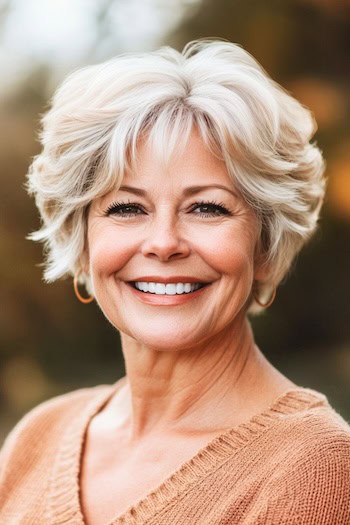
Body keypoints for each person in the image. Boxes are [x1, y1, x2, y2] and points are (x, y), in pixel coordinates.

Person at [0, 39, 349, 525]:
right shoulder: (38, 438)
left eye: (207, 207)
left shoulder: (315, 473)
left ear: (266, 247)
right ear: (80, 244)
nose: (164, 243)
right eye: (127, 208)